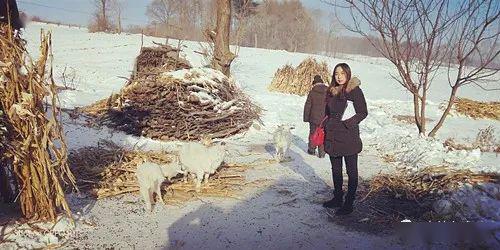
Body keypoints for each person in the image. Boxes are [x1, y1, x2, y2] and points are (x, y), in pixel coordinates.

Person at [322, 63, 367, 215]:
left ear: (347, 74)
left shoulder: (354, 91)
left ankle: (349, 203)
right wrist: (325, 124)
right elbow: (326, 112)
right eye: (336, 74)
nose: (339, 76)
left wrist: (348, 124)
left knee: (351, 171)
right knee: (336, 170)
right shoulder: (331, 91)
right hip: (333, 136)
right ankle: (337, 198)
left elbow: (362, 112)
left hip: (348, 136)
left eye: (342, 73)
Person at [303, 75, 328, 158]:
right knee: (323, 134)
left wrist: (306, 118)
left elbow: (308, 106)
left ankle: (312, 150)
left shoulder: (312, 92)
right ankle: (322, 152)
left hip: (313, 118)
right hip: (325, 118)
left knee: (313, 133)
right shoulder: (328, 91)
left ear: (314, 83)